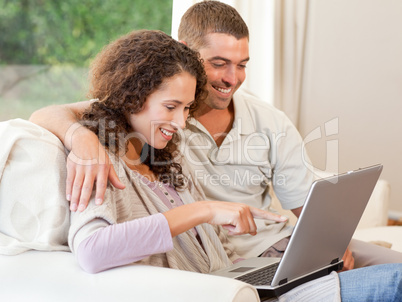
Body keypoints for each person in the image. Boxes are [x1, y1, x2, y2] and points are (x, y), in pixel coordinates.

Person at [27, 20, 402, 302]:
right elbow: (92, 252)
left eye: (186, 108)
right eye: (171, 107)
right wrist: (204, 210)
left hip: (242, 281)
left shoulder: (164, 157)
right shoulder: (101, 162)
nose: (180, 121)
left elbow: (218, 249)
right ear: (130, 97)